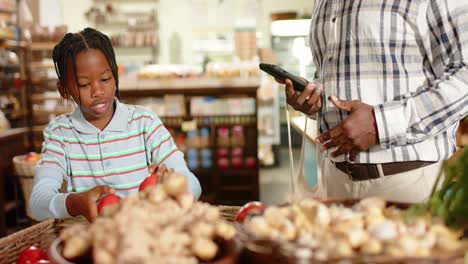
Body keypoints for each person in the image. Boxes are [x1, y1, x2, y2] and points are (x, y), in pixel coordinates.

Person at [279, 1, 468, 202]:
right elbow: (341, 71)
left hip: (408, 181)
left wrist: (381, 124)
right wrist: (317, 98)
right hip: (333, 179)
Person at [30, 28, 201, 222]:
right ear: (64, 89)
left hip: (147, 234)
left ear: (115, 75)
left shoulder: (144, 123)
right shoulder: (61, 134)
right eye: (84, 84)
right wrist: (74, 203)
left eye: (105, 79)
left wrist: (173, 188)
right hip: (96, 240)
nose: (97, 91)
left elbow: (193, 183)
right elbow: (38, 204)